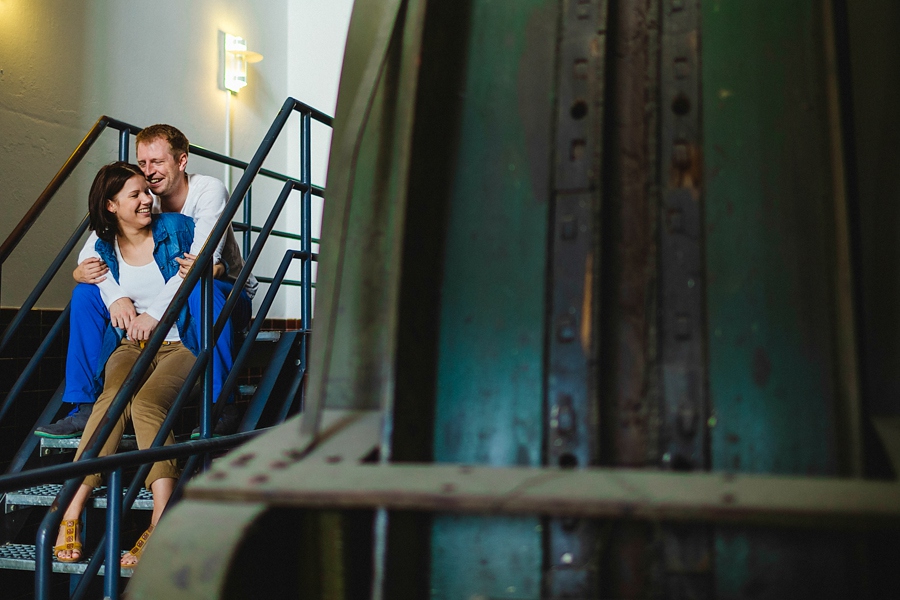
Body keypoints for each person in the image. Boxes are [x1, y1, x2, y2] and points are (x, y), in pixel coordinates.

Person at [36, 125, 257, 439]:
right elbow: (91, 249)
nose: (149, 172)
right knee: (86, 293)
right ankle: (84, 407)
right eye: (143, 163)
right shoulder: (145, 197)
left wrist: (154, 315)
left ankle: (222, 404)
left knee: (200, 288)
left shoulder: (208, 191)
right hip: (171, 296)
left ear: (182, 162)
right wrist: (113, 296)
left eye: (158, 162)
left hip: (225, 293)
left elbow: (199, 267)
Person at [53, 162, 197, 567]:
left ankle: (161, 519)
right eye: (134, 195)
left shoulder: (177, 229)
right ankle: (71, 510)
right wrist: (101, 286)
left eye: (145, 192)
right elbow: (86, 269)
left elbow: (197, 271)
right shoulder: (101, 247)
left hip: (179, 342)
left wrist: (158, 315)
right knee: (113, 399)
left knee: (147, 404)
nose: (146, 200)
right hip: (130, 346)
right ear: (111, 205)